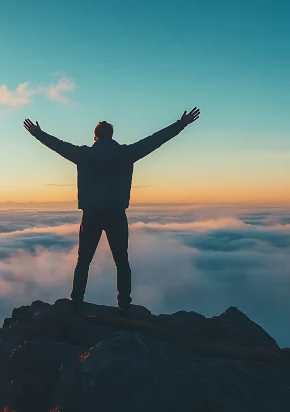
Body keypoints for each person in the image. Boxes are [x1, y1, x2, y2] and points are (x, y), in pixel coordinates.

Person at [23, 108, 201, 315]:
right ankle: (124, 303)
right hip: (116, 214)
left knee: (83, 260)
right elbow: (155, 140)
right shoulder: (126, 153)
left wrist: (38, 134)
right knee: (121, 261)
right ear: (112, 135)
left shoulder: (84, 154)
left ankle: (77, 302)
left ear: (95, 136)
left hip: (91, 215)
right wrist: (181, 124)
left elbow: (59, 146)